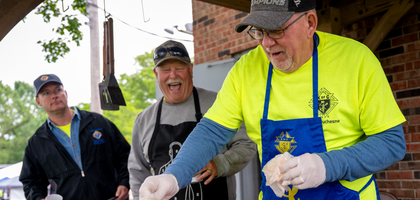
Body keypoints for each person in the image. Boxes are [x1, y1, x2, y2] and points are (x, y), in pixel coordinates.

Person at [139, 0, 407, 199]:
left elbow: (391, 143)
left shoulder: (356, 61)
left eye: (276, 30)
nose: (266, 43)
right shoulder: (246, 70)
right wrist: (175, 175)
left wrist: (326, 165)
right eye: (258, 31)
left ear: (310, 23)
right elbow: (211, 131)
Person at [128, 40, 257, 200]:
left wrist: (221, 164)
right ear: (156, 74)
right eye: (166, 70)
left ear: (191, 70)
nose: (173, 75)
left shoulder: (218, 103)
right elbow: (137, 171)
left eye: (179, 68)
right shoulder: (144, 120)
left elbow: (247, 144)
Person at [19, 74, 131, 200]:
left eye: (58, 90)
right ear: (38, 101)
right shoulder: (37, 142)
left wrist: (124, 182)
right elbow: (31, 181)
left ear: (65, 93)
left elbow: (125, 155)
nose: (54, 96)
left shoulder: (98, 122)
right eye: (46, 93)